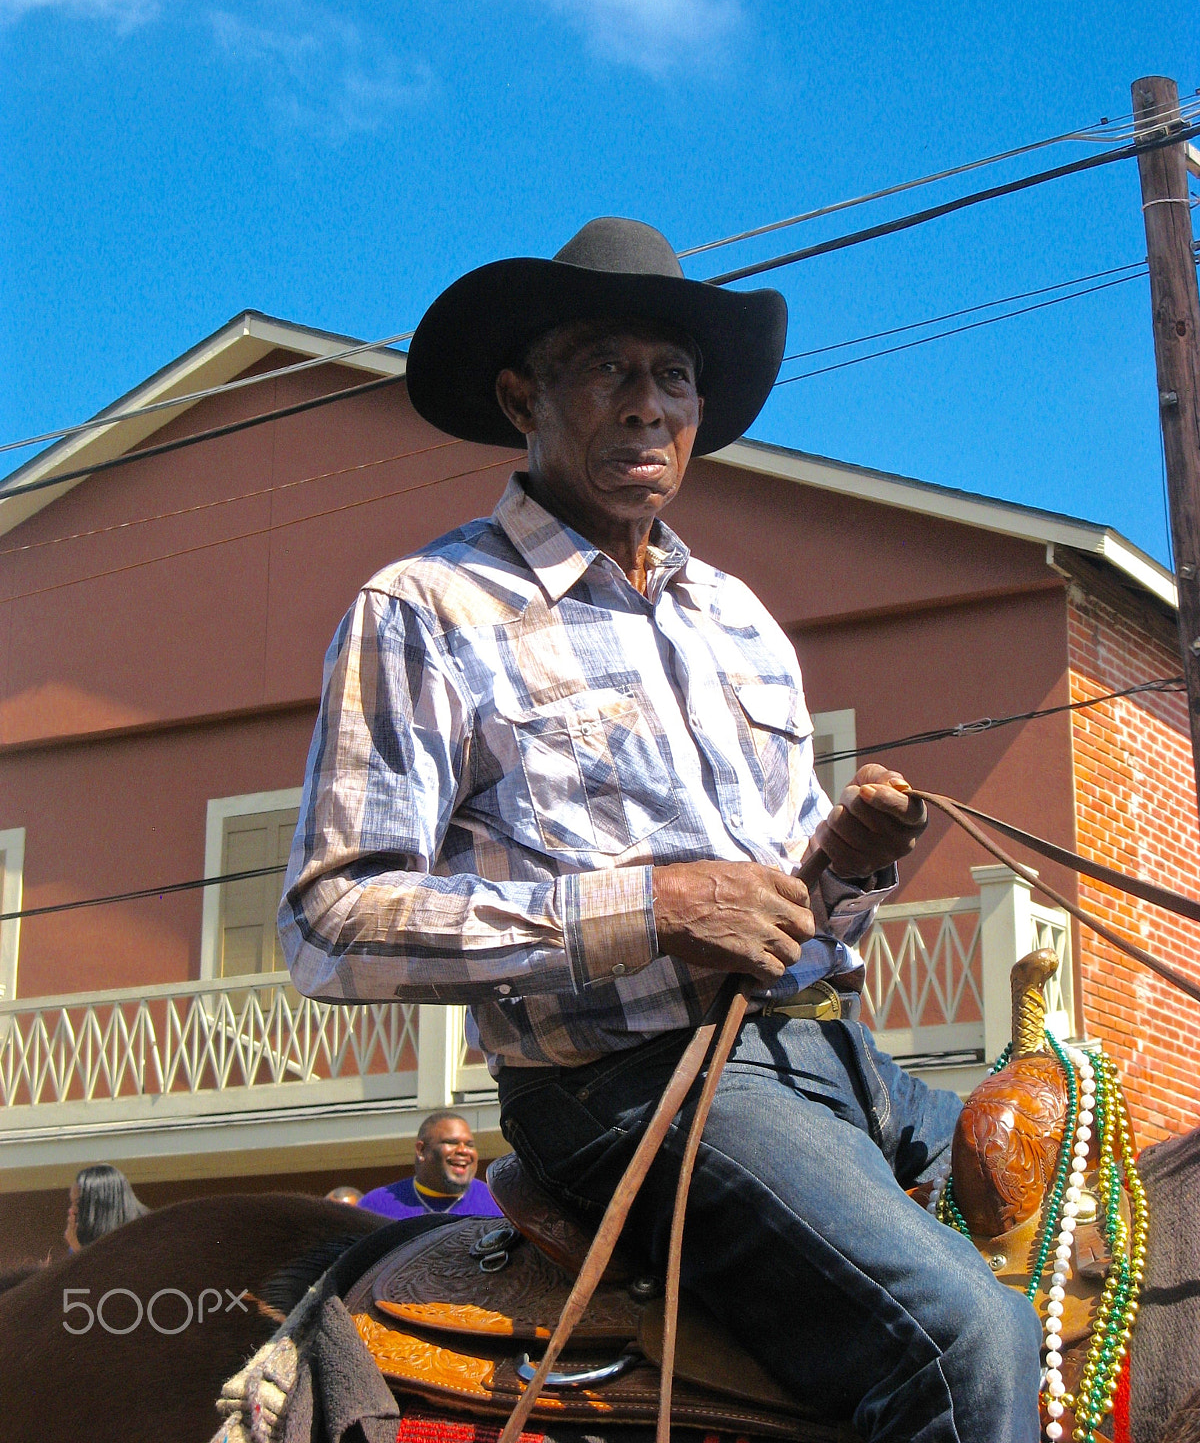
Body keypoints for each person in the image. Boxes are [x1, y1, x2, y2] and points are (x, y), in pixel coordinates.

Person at [280, 217, 1042, 1441]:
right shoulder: (426, 608)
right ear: (524, 394)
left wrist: (842, 865)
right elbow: (331, 923)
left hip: (836, 1059)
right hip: (622, 1089)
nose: (649, 406)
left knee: (1111, 1221)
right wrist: (653, 909)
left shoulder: (737, 618)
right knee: (968, 1338)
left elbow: (788, 907)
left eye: (674, 377)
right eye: (610, 369)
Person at [357, 1113, 503, 1220]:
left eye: (470, 1145)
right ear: (421, 1150)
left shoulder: (500, 1206)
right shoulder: (375, 1206)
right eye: (451, 1142)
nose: (463, 1150)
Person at [64, 1164, 148, 1251]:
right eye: (72, 1203)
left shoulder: (142, 1239)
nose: (71, 1210)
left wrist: (79, 1249)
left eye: (78, 1203)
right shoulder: (80, 1241)